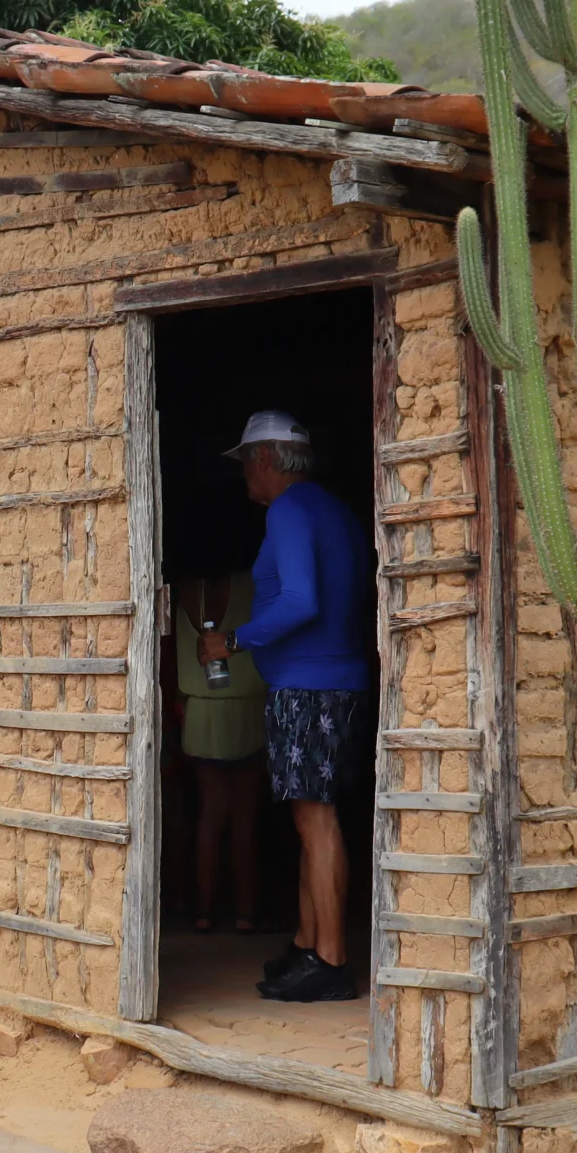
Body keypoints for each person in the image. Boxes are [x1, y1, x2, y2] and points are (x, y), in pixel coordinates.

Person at [197, 412, 378, 1004]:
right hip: (331, 681)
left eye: (246, 462)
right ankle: (308, 945)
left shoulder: (291, 510)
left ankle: (331, 961)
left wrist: (234, 640)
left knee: (318, 822)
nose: (245, 476)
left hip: (311, 686)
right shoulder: (334, 511)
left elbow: (301, 600)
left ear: (266, 460)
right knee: (312, 818)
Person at [174, 570, 268, 934]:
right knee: (245, 815)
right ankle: (246, 914)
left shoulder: (183, 588)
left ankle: (204, 912)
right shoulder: (251, 583)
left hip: (201, 709)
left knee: (210, 814)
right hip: (245, 705)